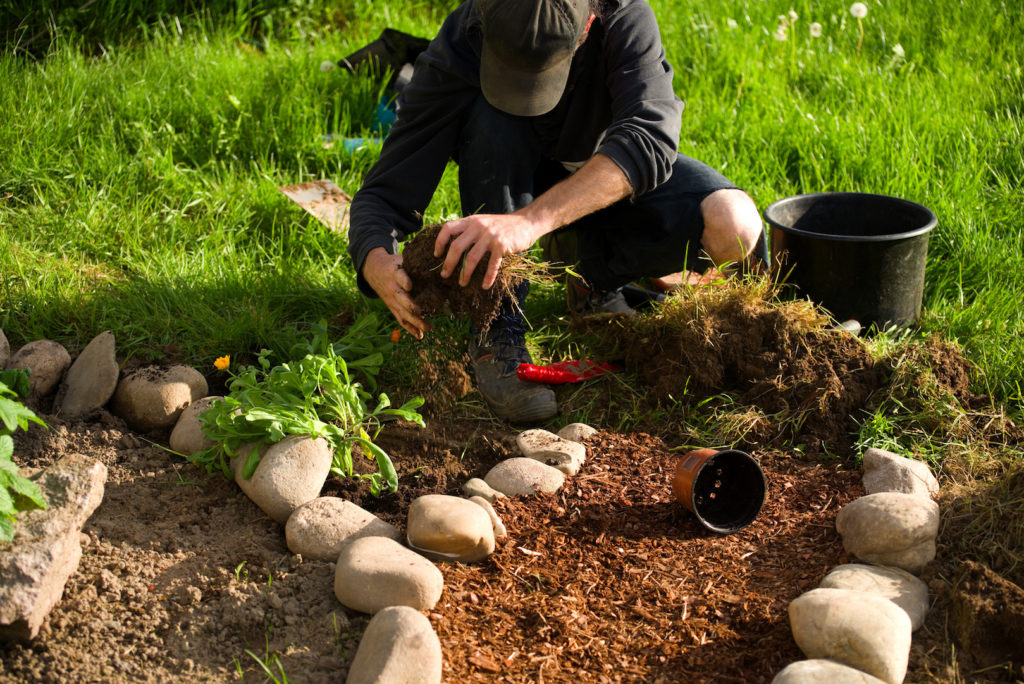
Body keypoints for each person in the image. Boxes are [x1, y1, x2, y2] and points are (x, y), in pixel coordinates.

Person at [348, 0, 766, 423]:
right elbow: (387, 188)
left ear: (588, 25)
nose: (526, 94)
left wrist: (530, 222)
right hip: (508, 177)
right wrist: (375, 259)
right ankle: (498, 328)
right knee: (494, 120)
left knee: (735, 223)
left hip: (591, 191)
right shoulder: (462, 38)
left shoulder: (621, 18)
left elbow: (649, 140)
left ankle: (592, 281)